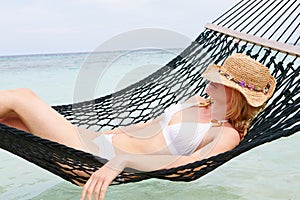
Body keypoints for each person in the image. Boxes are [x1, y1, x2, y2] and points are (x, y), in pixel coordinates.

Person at [0, 53, 276, 200]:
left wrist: (122, 161)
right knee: (8, 121)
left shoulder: (225, 134)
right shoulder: (197, 103)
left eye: (222, 80)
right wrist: (98, 134)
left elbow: (183, 166)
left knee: (22, 97)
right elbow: (147, 126)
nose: (213, 79)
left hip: (97, 163)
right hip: (93, 145)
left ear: (236, 95)